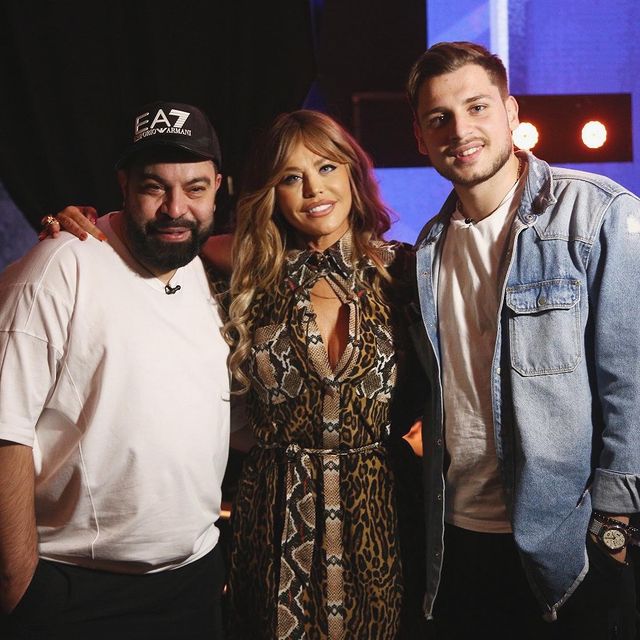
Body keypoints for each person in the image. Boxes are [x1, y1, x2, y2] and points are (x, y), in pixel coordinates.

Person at [47, 109, 427, 639]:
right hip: (273, 517)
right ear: (272, 192)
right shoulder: (238, 271)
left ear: (353, 174)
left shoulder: (407, 272)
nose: (314, 189)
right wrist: (83, 223)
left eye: (327, 168)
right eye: (291, 177)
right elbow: (149, 239)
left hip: (386, 512)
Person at [407, 41, 640, 638]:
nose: (460, 131)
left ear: (511, 113)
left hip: (570, 544)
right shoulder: (428, 249)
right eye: (439, 118)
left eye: (477, 107)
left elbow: (631, 381)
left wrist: (614, 524)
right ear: (421, 138)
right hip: (454, 538)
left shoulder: (596, 212)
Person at [0, 100, 231, 639]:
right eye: (154, 187)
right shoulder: (58, 268)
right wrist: (19, 585)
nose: (176, 208)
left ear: (218, 187)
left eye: (195, 188)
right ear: (123, 186)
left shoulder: (201, 269)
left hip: (193, 581)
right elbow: (5, 432)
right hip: (81, 590)